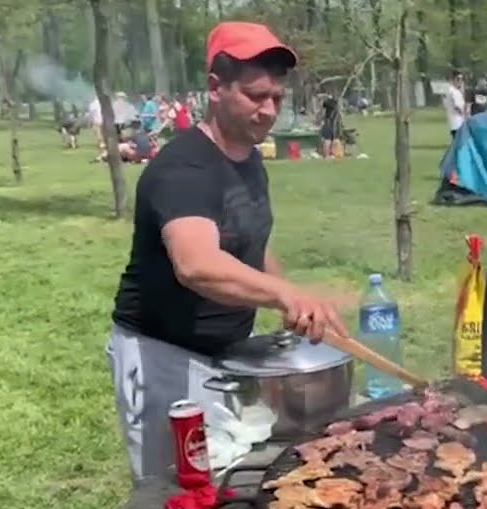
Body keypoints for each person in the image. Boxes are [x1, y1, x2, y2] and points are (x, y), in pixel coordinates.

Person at [105, 21, 350, 484]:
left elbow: (251, 243)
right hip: (161, 357)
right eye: (256, 96)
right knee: (171, 491)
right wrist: (283, 295)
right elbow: (197, 264)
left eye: (277, 98)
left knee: (229, 482)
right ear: (215, 88)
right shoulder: (184, 168)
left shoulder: (249, 159)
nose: (269, 110)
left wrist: (291, 298)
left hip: (226, 356)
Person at [443, 69, 467, 139]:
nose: (460, 81)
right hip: (457, 122)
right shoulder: (453, 91)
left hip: (456, 123)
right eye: (458, 79)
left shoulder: (454, 90)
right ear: (453, 79)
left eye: (462, 79)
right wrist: (464, 114)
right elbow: (457, 107)